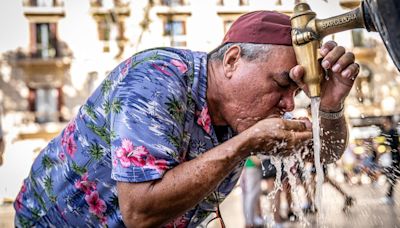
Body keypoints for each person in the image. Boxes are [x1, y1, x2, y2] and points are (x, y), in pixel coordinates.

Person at [14, 10, 359, 227]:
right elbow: (139, 211)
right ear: (232, 60)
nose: (287, 103)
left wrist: (331, 105)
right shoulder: (156, 78)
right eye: (282, 83)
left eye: (296, 92)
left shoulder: (243, 113)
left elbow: (321, 153)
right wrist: (244, 145)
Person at [381, 116, 400, 205]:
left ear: (388, 121)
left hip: (396, 157)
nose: (383, 123)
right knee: (393, 177)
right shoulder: (389, 131)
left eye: (384, 121)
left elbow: (395, 145)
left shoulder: (392, 131)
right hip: (393, 157)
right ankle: (389, 195)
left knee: (393, 177)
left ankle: (389, 196)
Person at [241, 156, 263, 228]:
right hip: (252, 167)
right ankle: (249, 222)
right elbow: (255, 159)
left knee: (247, 196)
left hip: (246, 167)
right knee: (251, 196)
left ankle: (249, 221)